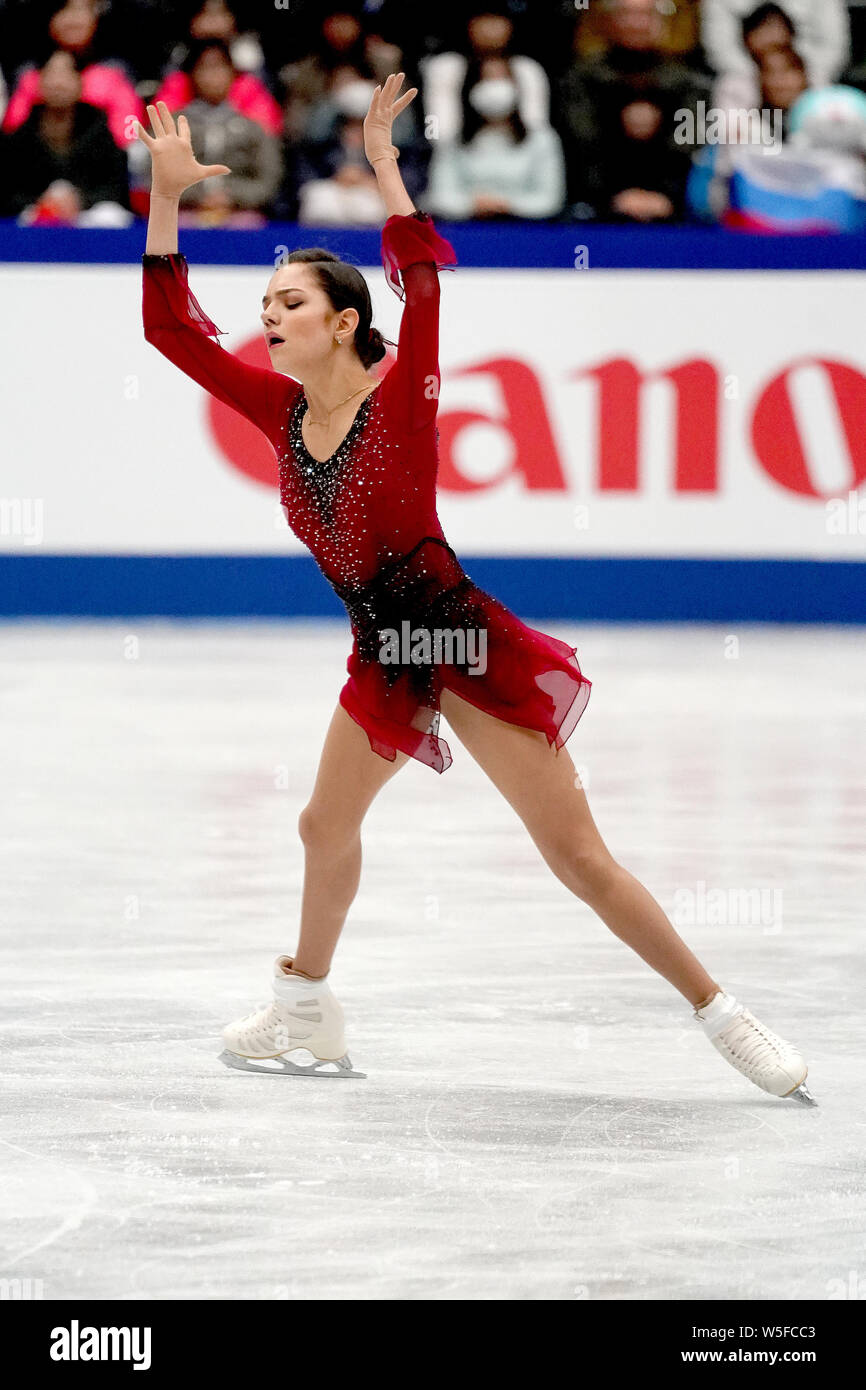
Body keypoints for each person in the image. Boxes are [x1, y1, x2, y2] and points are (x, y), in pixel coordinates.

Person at [134, 87, 815, 1105]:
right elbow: (169, 331)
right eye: (265, 305)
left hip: (453, 640)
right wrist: (164, 200)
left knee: (576, 857)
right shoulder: (278, 413)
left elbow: (423, 279)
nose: (266, 317)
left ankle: (721, 1011)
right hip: (379, 650)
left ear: (342, 322)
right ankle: (306, 1004)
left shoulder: (400, 397)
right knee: (322, 825)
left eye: (289, 304)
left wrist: (382, 163)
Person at [0, 47, 130, 221]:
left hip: (86, 216)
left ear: (80, 82)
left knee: (111, 216)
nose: (58, 83)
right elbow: (8, 192)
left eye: (66, 74)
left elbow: (115, 188)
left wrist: (79, 200)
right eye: (51, 74)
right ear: (39, 82)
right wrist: (42, 203)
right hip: (35, 217)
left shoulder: (99, 129)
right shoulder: (22, 134)